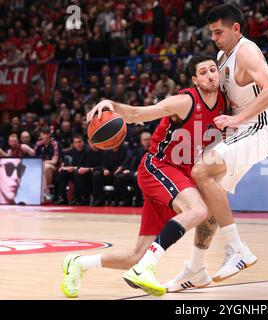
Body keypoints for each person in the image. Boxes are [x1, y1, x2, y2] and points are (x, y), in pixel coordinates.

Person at [61, 56, 225, 298]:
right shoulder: (184, 101)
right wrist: (111, 105)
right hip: (158, 167)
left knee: (138, 254)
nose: (210, 75)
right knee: (199, 210)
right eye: (203, 72)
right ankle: (146, 269)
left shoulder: (225, 101)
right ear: (195, 80)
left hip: (179, 176)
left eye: (213, 70)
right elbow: (138, 114)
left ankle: (77, 263)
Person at [165, 4, 268, 292]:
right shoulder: (221, 57)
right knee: (209, 202)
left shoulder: (246, 50)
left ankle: (237, 249)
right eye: (211, 33)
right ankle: (195, 269)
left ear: (236, 29)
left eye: (219, 32)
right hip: (238, 133)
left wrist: (238, 118)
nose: (214, 38)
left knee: (201, 171)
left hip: (257, 130)